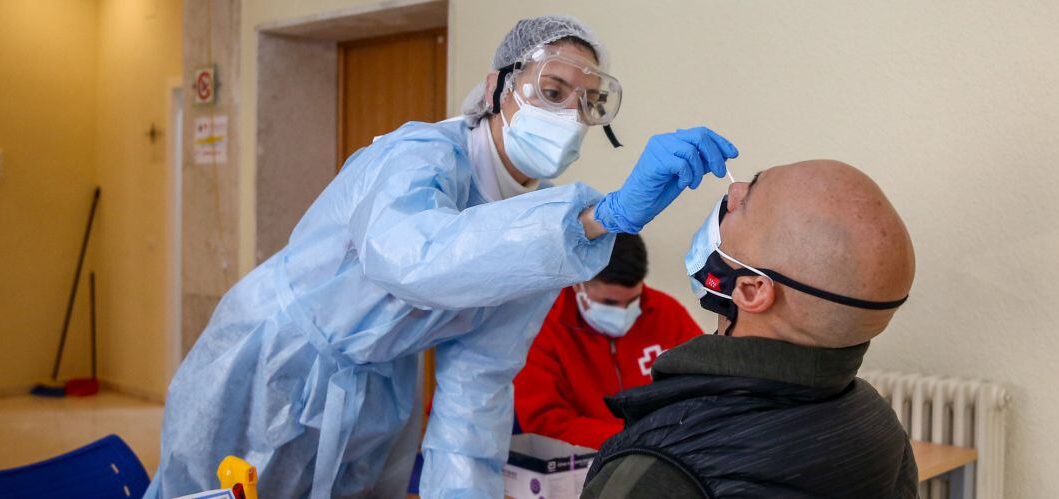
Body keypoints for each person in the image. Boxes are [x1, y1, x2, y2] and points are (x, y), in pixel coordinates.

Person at [147, 15, 740, 499]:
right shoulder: (418, 157)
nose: (566, 116)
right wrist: (599, 217)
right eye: (551, 92)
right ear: (495, 88)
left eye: (585, 103)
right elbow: (412, 261)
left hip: (381, 386)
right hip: (271, 361)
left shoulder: (537, 243)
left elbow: (476, 394)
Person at [581, 160, 918, 498]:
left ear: (751, 290)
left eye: (748, 198)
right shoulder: (878, 423)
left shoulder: (668, 468)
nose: (733, 190)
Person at [514, 234, 701, 449]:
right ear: (578, 284)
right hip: (582, 464)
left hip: (665, 454)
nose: (623, 312)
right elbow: (545, 423)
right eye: (609, 303)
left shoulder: (667, 314)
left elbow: (703, 391)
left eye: (632, 301)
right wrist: (633, 439)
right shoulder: (541, 327)